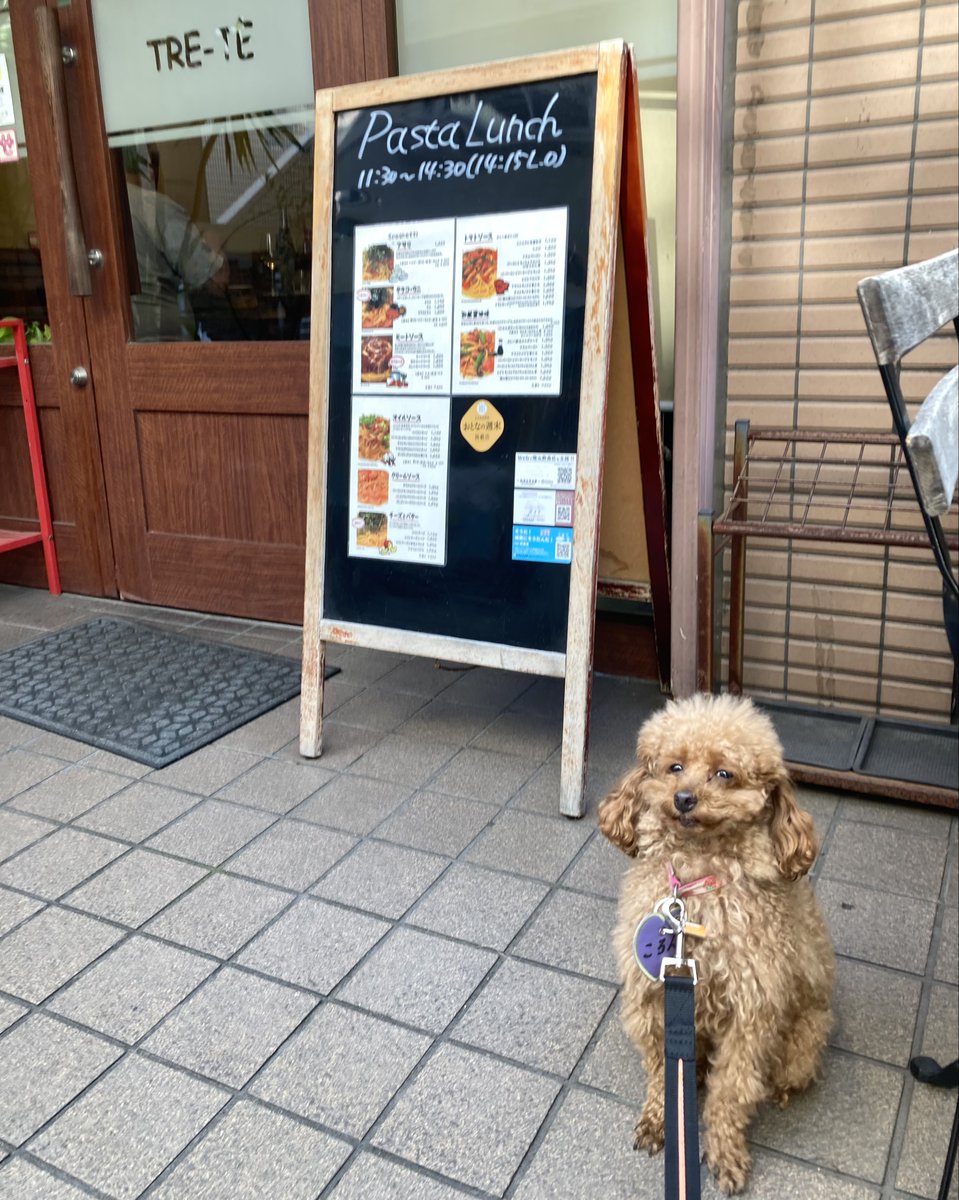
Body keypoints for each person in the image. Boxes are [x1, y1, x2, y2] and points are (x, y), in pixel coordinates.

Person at [124, 150, 228, 341]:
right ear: (147, 169)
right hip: (162, 345)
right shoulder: (155, 208)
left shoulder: (86, 211)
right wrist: (212, 240)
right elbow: (216, 280)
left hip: (115, 347)